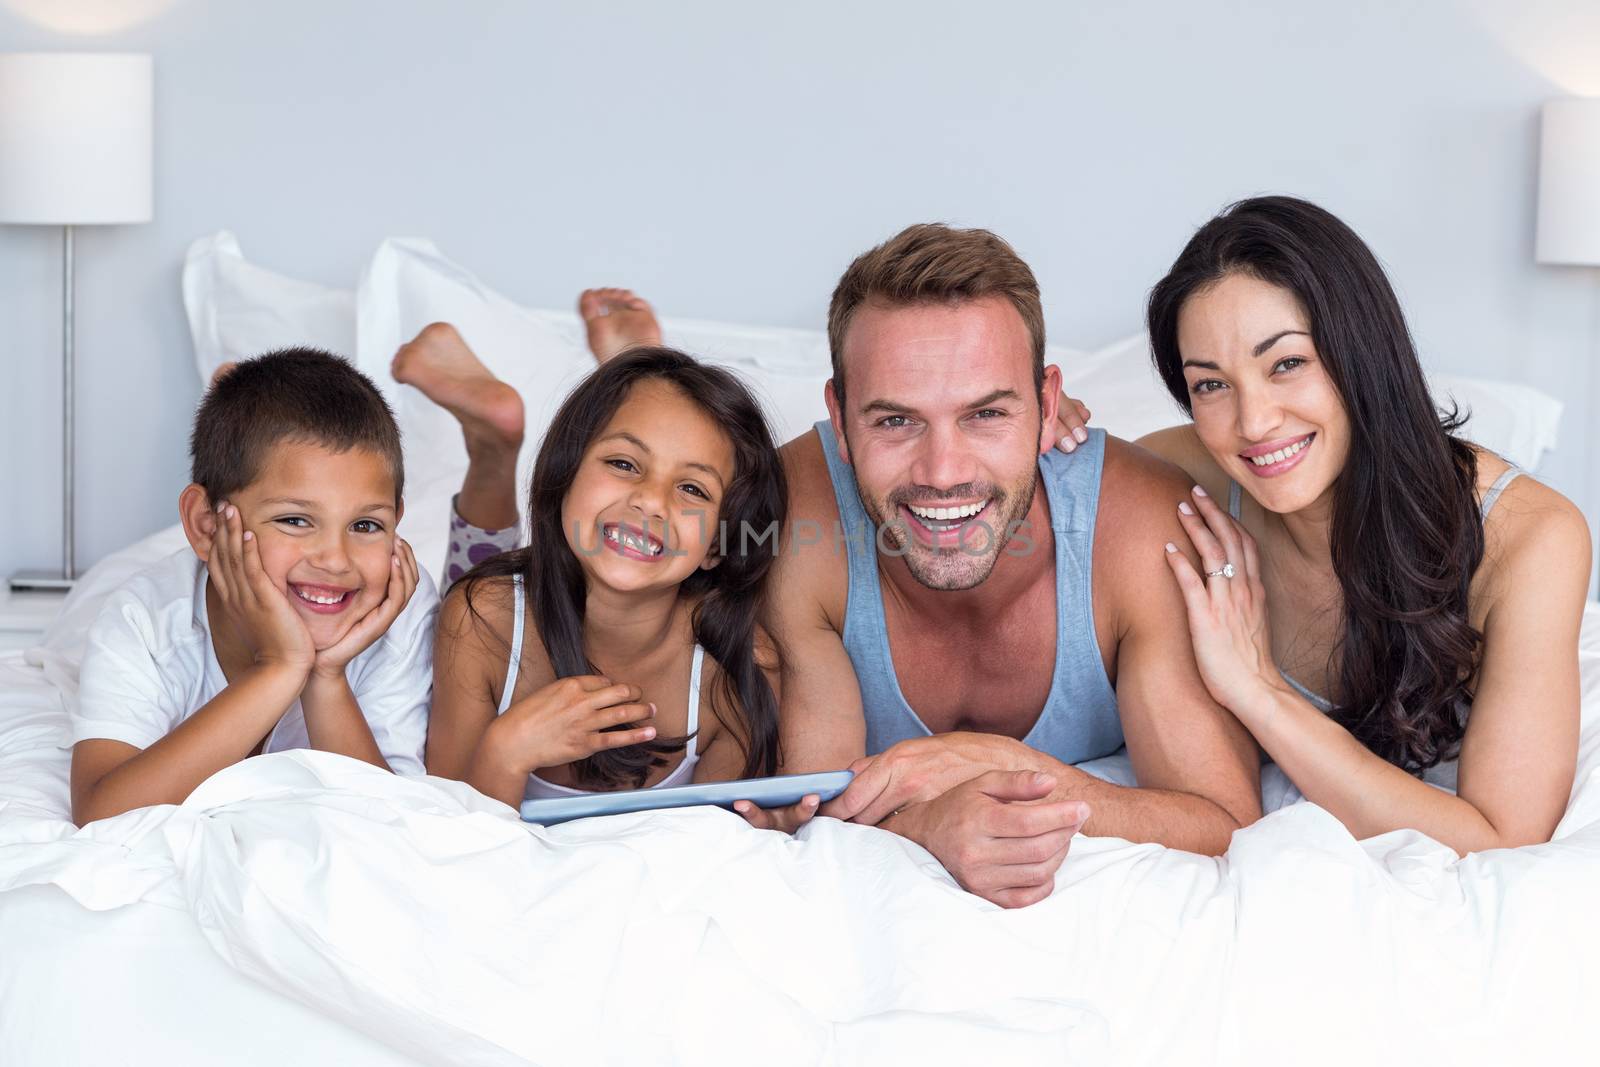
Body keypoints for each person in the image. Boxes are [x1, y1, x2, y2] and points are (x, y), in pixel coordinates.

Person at [1050, 196, 1589, 855]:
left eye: (1286, 364)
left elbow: (1502, 837)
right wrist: (1044, 430)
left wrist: (1259, 691)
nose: (1253, 422)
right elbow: (1047, 490)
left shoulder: (1532, 538)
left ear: (1361, 353)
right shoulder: (1188, 476)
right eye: (1211, 385)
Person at [764, 223, 1264, 907]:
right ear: (839, 415)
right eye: (895, 422)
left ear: (1047, 404)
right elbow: (808, 811)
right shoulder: (791, 518)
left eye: (986, 414)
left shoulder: (1139, 527)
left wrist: (1012, 767)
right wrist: (925, 826)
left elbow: (1223, 821)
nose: (943, 472)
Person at [423, 347, 806, 822]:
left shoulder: (738, 669)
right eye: (624, 463)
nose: (650, 500)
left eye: (693, 489)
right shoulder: (483, 620)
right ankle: (493, 453)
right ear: (566, 475)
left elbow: (703, 860)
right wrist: (506, 751)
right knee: (466, 583)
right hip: (505, 589)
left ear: (717, 546)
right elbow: (443, 840)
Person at [70, 348, 435, 826]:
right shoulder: (145, 617)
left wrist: (325, 677)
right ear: (205, 524)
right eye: (295, 520)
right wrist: (281, 667)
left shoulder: (398, 608)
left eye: (366, 525)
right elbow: (102, 812)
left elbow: (393, 825)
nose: (335, 559)